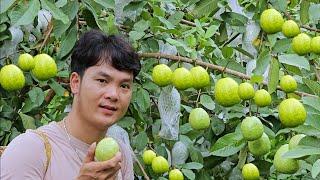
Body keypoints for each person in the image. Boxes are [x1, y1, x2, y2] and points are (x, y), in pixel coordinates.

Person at [0, 29, 141, 179]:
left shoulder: (121, 156)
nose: (113, 94)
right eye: (102, 81)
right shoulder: (30, 150)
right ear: (75, 83)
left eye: (124, 86)